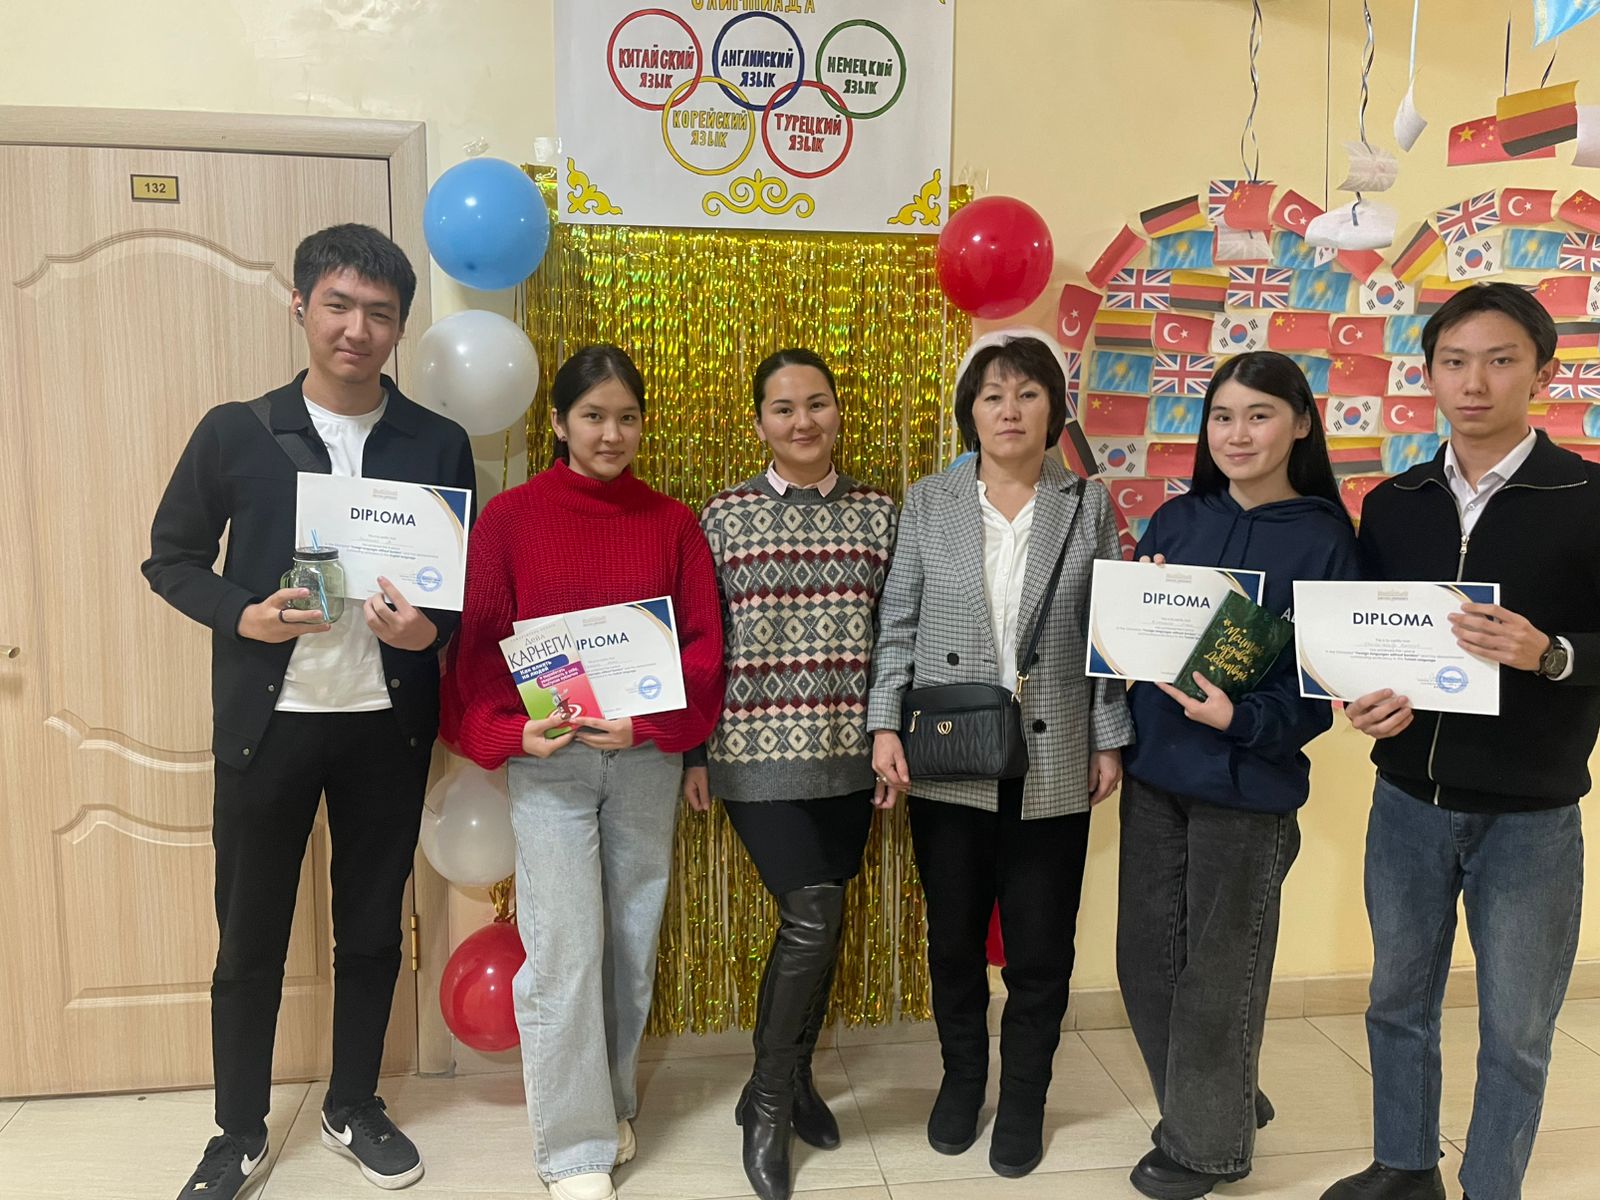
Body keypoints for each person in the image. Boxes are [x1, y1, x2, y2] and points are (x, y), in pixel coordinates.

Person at [144, 224, 476, 1199]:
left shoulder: (436, 442)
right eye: (338, 305)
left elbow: (456, 593)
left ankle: (353, 1105)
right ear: (299, 306)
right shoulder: (236, 432)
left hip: (386, 726)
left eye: (379, 313)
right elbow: (171, 559)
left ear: (400, 327)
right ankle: (237, 1131)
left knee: (372, 930)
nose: (356, 329)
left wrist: (429, 634)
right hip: (270, 727)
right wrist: (243, 614)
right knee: (249, 936)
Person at [1320, 282, 1600, 1200]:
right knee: (1396, 1002)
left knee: (1517, 1027)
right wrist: (1360, 699)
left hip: (1531, 814)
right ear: (1431, 375)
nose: (1474, 382)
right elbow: (1362, 640)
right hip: (1407, 800)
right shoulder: (1394, 502)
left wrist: (1550, 652)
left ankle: (1491, 1185)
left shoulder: (1587, 496)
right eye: (1454, 362)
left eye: (1500, 360)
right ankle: (1405, 1167)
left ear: (1542, 374)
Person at [442, 345, 725, 1200]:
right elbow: (477, 655)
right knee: (565, 952)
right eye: (594, 416)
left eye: (627, 417)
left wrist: (649, 724)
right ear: (559, 424)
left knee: (630, 950)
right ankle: (573, 1152)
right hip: (554, 770)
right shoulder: (509, 522)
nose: (611, 433)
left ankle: (610, 1105)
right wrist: (510, 734)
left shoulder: (672, 523)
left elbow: (703, 655)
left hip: (643, 764)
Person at [867, 329, 1134, 1179]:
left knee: (1041, 949)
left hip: (1055, 752)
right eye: (992, 395)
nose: (1009, 410)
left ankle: (1023, 1098)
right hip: (949, 750)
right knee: (952, 941)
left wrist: (1109, 736)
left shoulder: (1087, 504)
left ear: (1054, 409)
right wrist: (883, 725)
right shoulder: (928, 501)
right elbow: (897, 625)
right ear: (970, 412)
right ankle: (962, 1080)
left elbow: (1108, 636)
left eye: (1027, 393)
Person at [1115, 352, 1361, 1199]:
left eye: (1259, 415)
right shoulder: (1176, 520)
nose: (1238, 434)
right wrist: (1133, 612)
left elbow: (1322, 691)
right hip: (1156, 778)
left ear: (1301, 424)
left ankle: (1206, 1148)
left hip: (1248, 788)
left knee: (1220, 976)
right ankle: (1220, 1100)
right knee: (1146, 965)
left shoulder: (1326, 540)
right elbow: (1119, 651)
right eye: (1222, 416)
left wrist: (1241, 719)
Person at [682, 349, 899, 1200]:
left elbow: (897, 636)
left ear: (839, 411)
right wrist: (694, 752)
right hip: (752, 753)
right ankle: (768, 1104)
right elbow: (701, 643)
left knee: (826, 920)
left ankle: (794, 1078)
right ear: (759, 422)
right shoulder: (723, 515)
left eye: (816, 403)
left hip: (851, 754)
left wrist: (889, 736)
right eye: (783, 408)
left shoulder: (881, 513)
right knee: (811, 916)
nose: (802, 421)